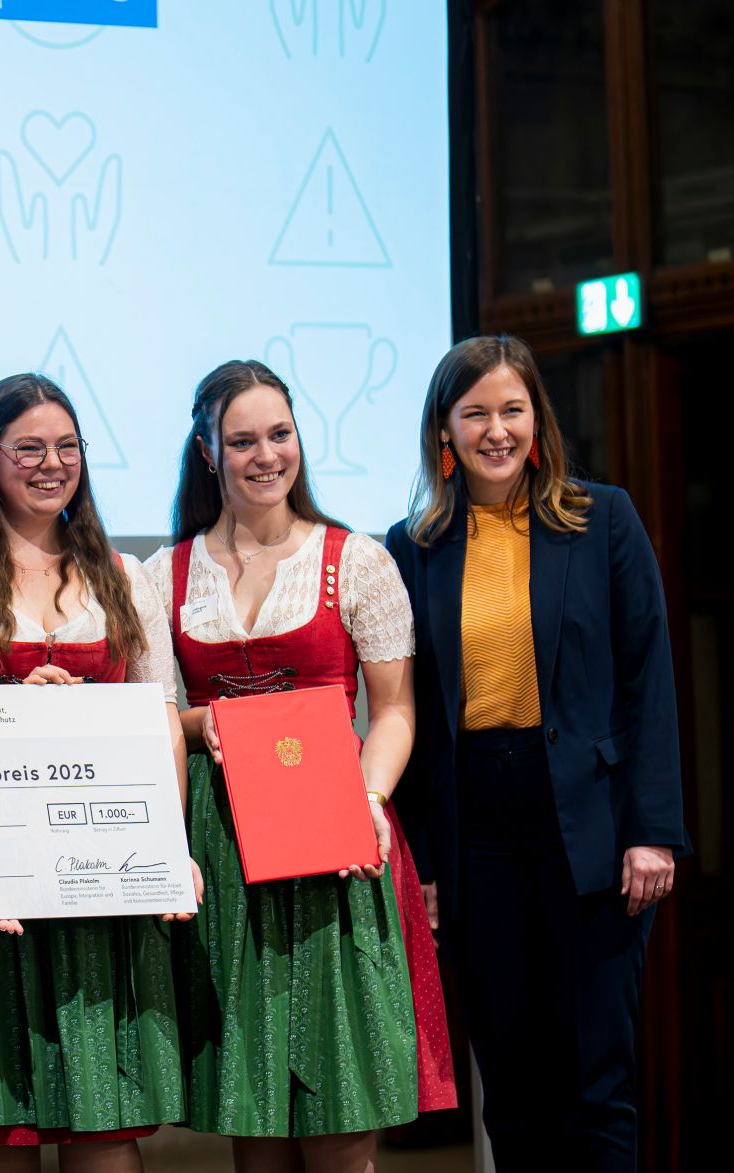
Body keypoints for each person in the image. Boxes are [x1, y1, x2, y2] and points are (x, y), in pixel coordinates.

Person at [385, 335, 686, 1171]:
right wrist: (425, 864)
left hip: (591, 829)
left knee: (598, 1085)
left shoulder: (603, 519)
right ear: (444, 430)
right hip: (476, 834)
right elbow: (409, 714)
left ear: (537, 421)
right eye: (475, 412)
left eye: (512, 410)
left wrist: (652, 829)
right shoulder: (411, 546)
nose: (497, 430)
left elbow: (649, 679)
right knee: (513, 1092)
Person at [146, 359, 454, 1172]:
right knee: (255, 1117)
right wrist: (202, 719)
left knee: (342, 1102)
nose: (266, 454)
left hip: (335, 833)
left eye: (279, 434)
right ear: (208, 452)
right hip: (225, 842)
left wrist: (369, 799)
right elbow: (152, 718)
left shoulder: (356, 560)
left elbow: (395, 711)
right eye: (243, 440)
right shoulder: (164, 574)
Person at [0, 374, 193, 1172]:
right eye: (29, 448)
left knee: (102, 1116)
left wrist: (169, 848)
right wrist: (13, 706)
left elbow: (161, 717)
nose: (52, 464)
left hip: (101, 867)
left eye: (67, 447)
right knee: (4, 1123)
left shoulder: (123, 573)